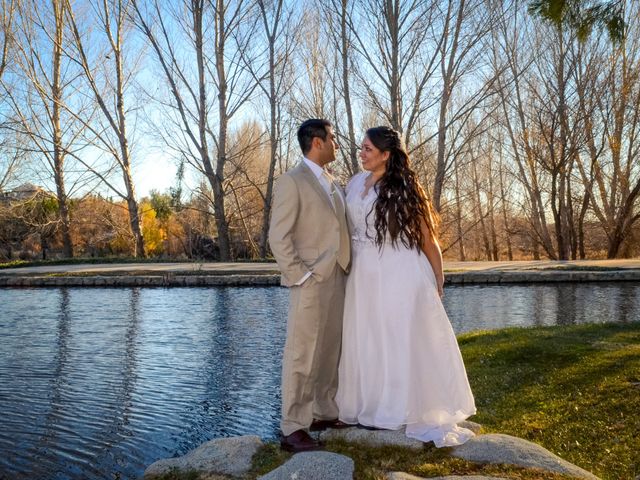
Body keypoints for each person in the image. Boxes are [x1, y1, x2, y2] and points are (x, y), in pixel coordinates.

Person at [336, 126, 476, 447]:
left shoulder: (405, 189)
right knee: (367, 336)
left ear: (386, 155)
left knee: (395, 337)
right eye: (362, 148)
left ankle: (397, 409)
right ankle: (368, 406)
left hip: (398, 270)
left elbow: (428, 239)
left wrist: (438, 277)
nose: (362, 153)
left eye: (369, 149)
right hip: (363, 273)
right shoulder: (355, 183)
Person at [268, 119, 352, 452]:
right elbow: (279, 236)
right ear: (316, 143)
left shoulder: (332, 182)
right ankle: (292, 427)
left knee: (329, 350)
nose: (336, 144)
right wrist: (301, 275)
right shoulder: (292, 181)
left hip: (338, 278)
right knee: (302, 355)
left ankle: (322, 412)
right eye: (333, 138)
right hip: (311, 282)